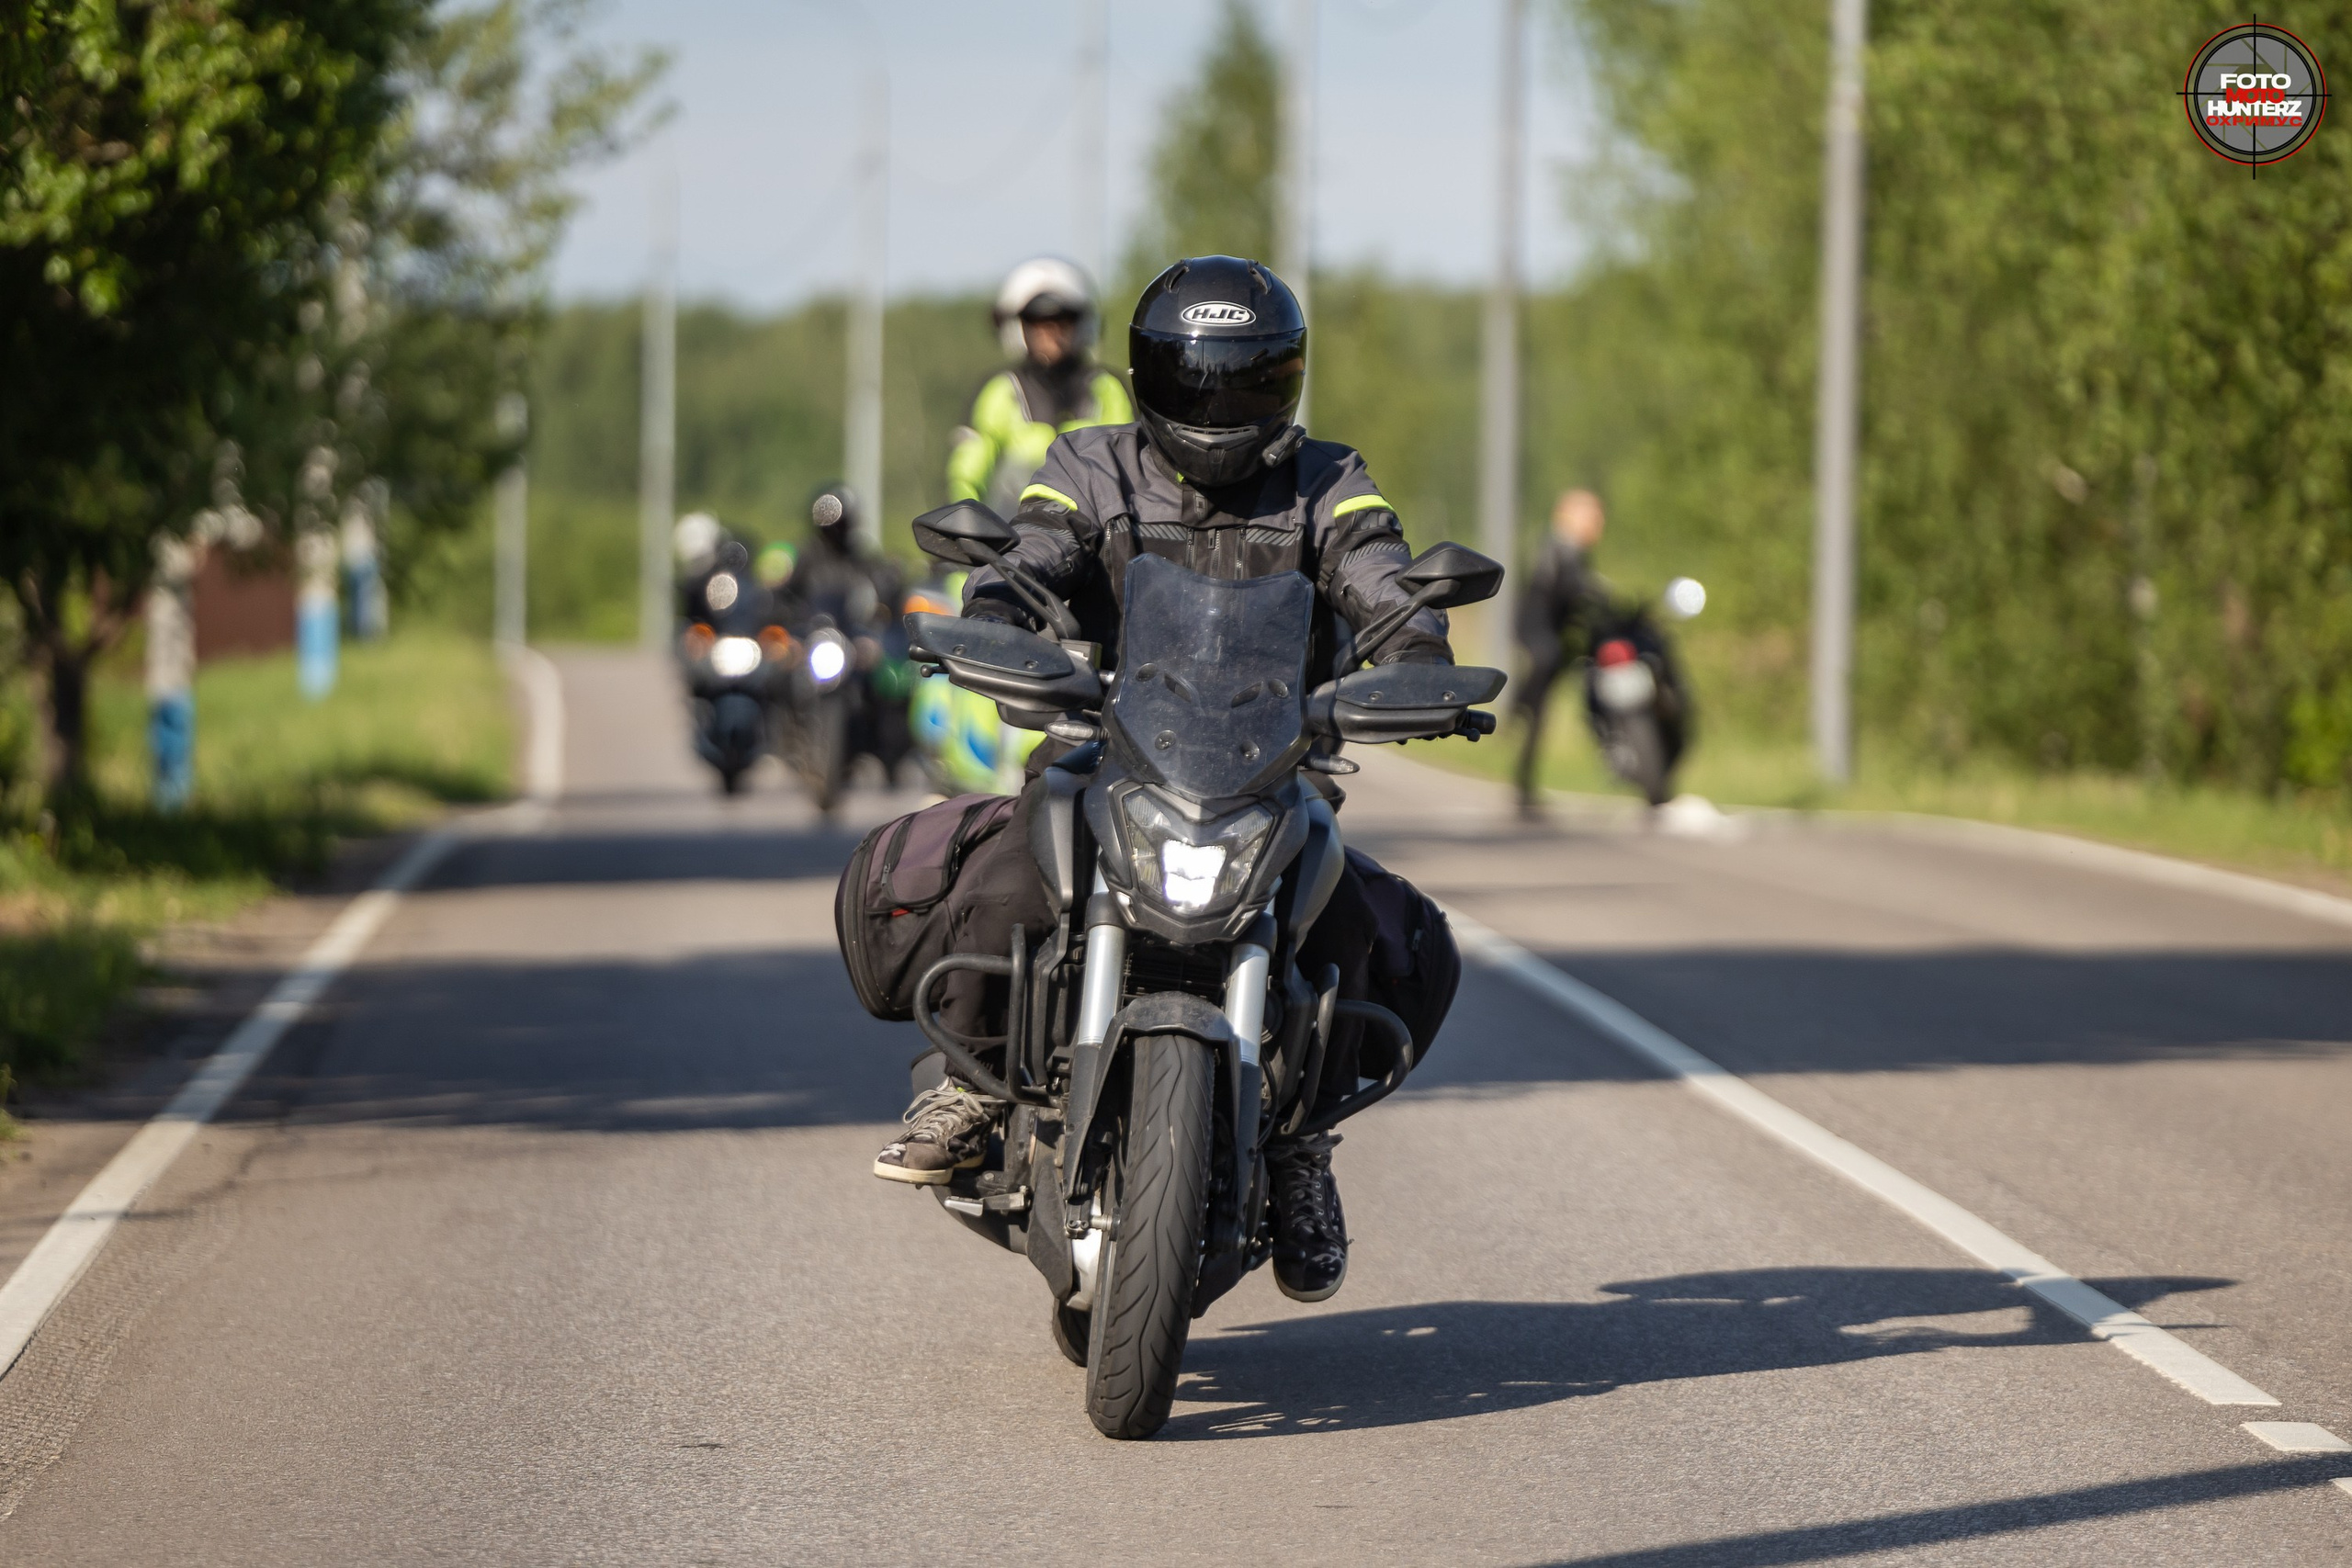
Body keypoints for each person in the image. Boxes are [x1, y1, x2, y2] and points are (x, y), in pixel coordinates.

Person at [871, 255, 1454, 1304]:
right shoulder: (1089, 464)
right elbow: (1031, 554)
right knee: (1005, 875)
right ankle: (968, 1086)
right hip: (1108, 744)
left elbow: (1384, 578)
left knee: (1349, 928)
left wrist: (1415, 655)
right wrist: (996, 616)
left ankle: (1300, 1147)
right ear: (1148, 381)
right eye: (1196, 382)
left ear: (1286, 383)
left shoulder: (1331, 479)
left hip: (1273, 768)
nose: (1218, 405)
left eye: (1244, 380)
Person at [945, 258, 1134, 513]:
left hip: (1099, 538)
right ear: (1020, 327)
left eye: (1063, 321)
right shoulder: (1003, 389)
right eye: (1038, 322)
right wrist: (965, 518)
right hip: (1015, 539)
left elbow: (1134, 463)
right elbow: (967, 472)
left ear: (1081, 325)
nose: (1051, 333)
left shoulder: (1105, 388)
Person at [1510, 488, 1614, 815]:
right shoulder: (1557, 546)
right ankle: (1516, 704)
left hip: (1554, 638)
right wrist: (1595, 592)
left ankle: (1524, 783)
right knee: (1539, 694)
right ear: (1570, 516)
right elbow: (1567, 585)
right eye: (1593, 516)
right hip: (1538, 634)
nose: (1599, 523)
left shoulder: (1573, 551)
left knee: (1539, 717)